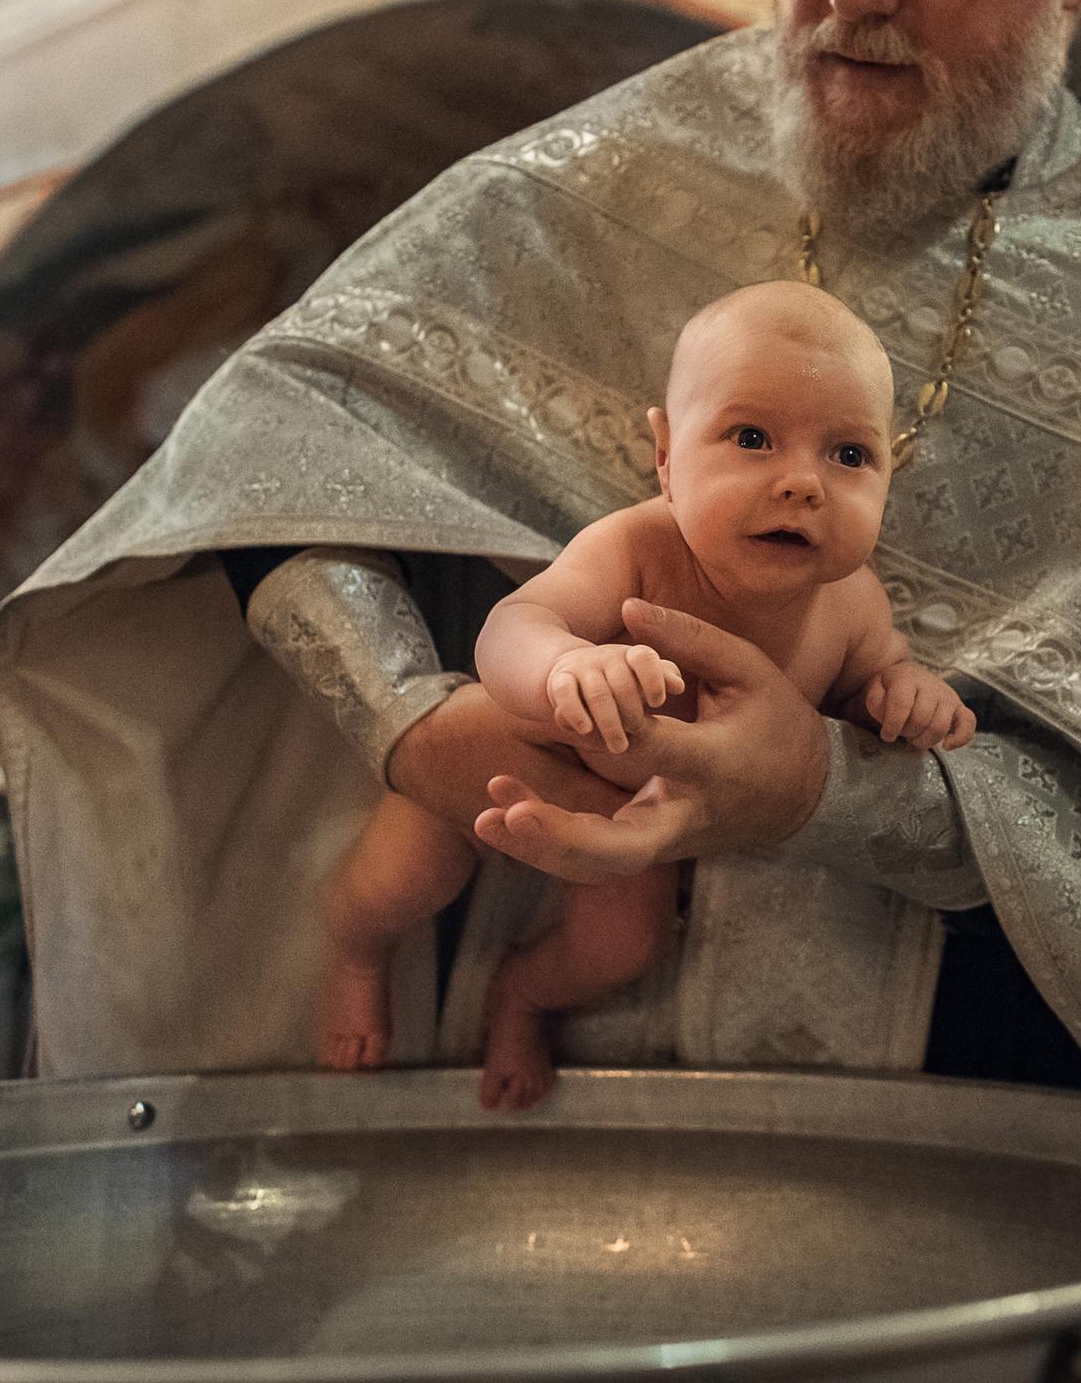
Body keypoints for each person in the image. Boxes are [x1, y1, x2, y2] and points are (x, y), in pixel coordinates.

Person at [0, 0, 1081, 1375]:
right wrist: (415, 723)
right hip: (567, 1129)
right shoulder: (608, 189)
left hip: (994, 1179)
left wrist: (832, 793)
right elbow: (256, 467)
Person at [322, 282, 974, 1109]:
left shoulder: (851, 604)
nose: (803, 483)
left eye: (849, 455)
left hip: (636, 822)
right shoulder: (635, 549)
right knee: (403, 875)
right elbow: (512, 625)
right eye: (752, 437)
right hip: (506, 756)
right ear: (666, 456)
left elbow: (870, 679)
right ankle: (356, 950)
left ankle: (519, 991)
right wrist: (564, 664)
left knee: (622, 948)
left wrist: (907, 692)